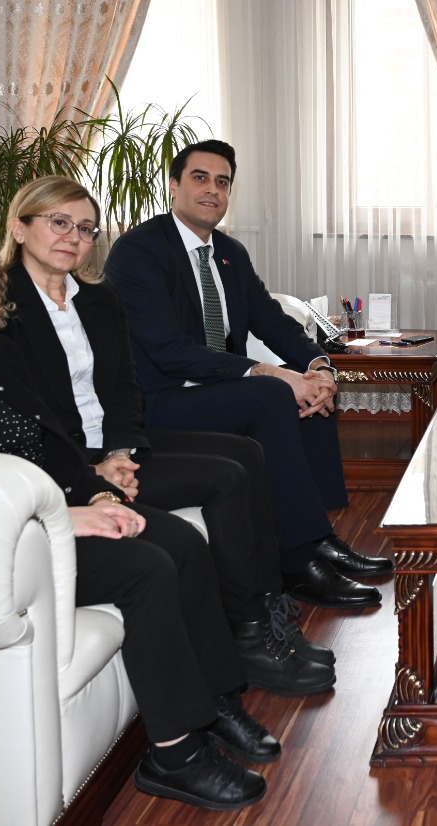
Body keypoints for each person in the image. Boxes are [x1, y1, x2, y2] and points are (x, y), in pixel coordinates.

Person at [0, 184, 272, 811]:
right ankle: (175, 752)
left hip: (44, 514)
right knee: (145, 567)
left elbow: (45, 435)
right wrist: (63, 519)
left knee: (179, 540)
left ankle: (215, 703)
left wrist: (97, 492)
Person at [0, 176, 335, 694]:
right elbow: (22, 413)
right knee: (226, 474)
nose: (72, 237)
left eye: (85, 228)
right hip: (70, 461)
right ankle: (251, 640)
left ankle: (267, 621)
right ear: (20, 228)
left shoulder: (97, 301)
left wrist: (120, 449)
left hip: (115, 444)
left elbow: (124, 387)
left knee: (244, 458)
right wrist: (93, 468)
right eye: (58, 222)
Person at [102, 140, 389, 610]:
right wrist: (266, 372)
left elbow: (272, 320)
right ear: (173, 186)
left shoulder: (229, 252)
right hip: (163, 398)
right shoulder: (138, 251)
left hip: (215, 389)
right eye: (199, 178)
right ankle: (296, 561)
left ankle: (316, 537)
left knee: (308, 392)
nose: (212, 190)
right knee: (273, 395)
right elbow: (168, 350)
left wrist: (318, 367)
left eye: (222, 182)